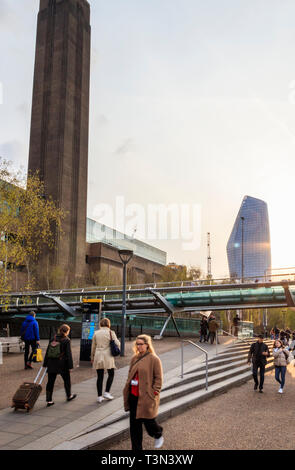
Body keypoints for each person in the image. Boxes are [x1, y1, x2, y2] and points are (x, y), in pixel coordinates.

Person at [123, 334, 164, 451]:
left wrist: (154, 392)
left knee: (149, 421)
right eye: (137, 344)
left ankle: (158, 433)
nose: (139, 346)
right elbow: (130, 374)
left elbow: (159, 378)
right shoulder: (134, 358)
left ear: (147, 345)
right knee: (134, 427)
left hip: (146, 396)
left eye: (141, 344)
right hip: (133, 396)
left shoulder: (154, 359)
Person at [43, 324, 76, 407]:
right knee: (67, 380)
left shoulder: (53, 339)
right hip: (62, 364)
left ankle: (49, 400)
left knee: (50, 382)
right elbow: (68, 354)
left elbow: (48, 352)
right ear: (67, 331)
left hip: (51, 363)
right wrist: (70, 366)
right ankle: (69, 395)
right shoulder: (66, 340)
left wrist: (45, 363)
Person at [91, 318, 120, 403]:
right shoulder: (111, 332)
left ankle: (99, 396)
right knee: (111, 374)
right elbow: (118, 343)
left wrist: (92, 357)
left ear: (100, 324)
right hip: (108, 356)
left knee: (99, 376)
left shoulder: (96, 333)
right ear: (108, 324)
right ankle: (107, 392)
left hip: (98, 355)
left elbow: (93, 346)